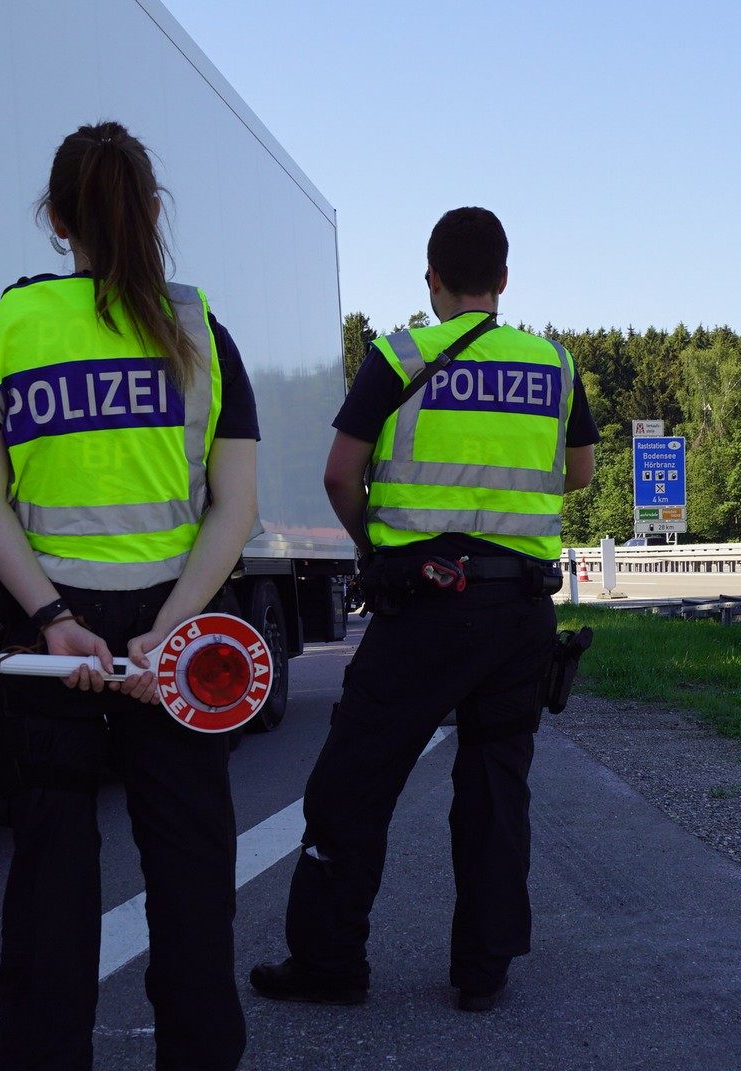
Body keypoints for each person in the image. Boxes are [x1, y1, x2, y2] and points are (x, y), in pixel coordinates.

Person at [0, 121, 259, 1071]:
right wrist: (170, 626)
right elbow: (236, 508)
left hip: (51, 649)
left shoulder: (7, 327)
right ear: (152, 211)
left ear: (57, 218)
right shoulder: (197, 330)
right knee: (188, 878)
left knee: (50, 884)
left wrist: (49, 620)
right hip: (174, 648)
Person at [251, 207, 598, 1014]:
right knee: (496, 785)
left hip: (424, 606)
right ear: (504, 281)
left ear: (431, 279)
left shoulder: (399, 355)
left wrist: (374, 548)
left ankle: (330, 960)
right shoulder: (552, 363)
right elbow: (578, 474)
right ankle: (485, 969)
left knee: (355, 783)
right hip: (519, 611)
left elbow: (342, 473)